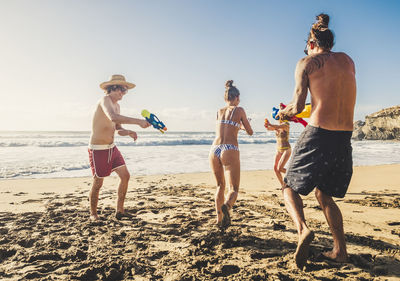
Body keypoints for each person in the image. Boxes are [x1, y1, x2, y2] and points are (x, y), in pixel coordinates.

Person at [278, 14, 356, 269]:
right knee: (324, 194)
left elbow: (299, 104)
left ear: (311, 43)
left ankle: (302, 230)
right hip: (344, 136)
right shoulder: (348, 61)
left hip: (319, 133)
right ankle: (340, 251)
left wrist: (285, 113)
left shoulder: (307, 63)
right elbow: (329, 96)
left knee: (289, 185)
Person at [88, 74, 151, 221]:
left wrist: (128, 132)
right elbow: (113, 117)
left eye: (125, 90)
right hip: (98, 149)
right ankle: (93, 214)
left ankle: (120, 211)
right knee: (98, 182)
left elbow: (117, 127)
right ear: (112, 88)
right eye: (121, 89)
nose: (123, 93)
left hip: (112, 148)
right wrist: (138, 122)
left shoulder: (117, 105)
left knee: (125, 176)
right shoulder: (105, 100)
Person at [209, 80, 253, 228]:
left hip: (214, 149)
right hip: (230, 148)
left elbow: (226, 127)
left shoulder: (219, 111)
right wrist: (245, 124)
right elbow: (250, 132)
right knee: (233, 189)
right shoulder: (239, 110)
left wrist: (238, 126)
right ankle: (226, 207)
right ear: (237, 97)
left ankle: (219, 220)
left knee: (220, 186)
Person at [264, 112, 291, 188]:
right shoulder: (277, 126)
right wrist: (267, 126)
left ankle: (293, 174)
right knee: (276, 169)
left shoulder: (286, 125)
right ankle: (283, 185)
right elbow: (270, 129)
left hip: (286, 149)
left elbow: (277, 126)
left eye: (280, 117)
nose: (279, 118)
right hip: (278, 149)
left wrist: (270, 124)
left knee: (280, 168)